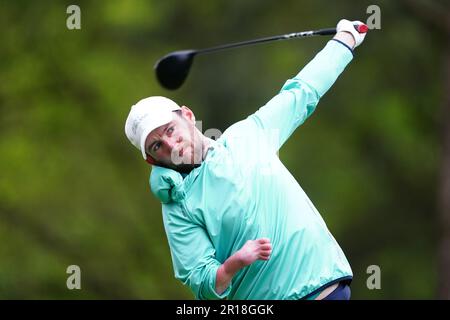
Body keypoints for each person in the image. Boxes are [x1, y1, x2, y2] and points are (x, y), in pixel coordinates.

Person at [125, 19, 367, 300]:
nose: (169, 143)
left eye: (169, 130)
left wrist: (344, 42)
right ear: (152, 160)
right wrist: (233, 264)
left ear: (188, 116)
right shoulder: (178, 206)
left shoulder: (246, 136)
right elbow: (202, 283)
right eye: (156, 145)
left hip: (328, 288)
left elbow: (302, 92)